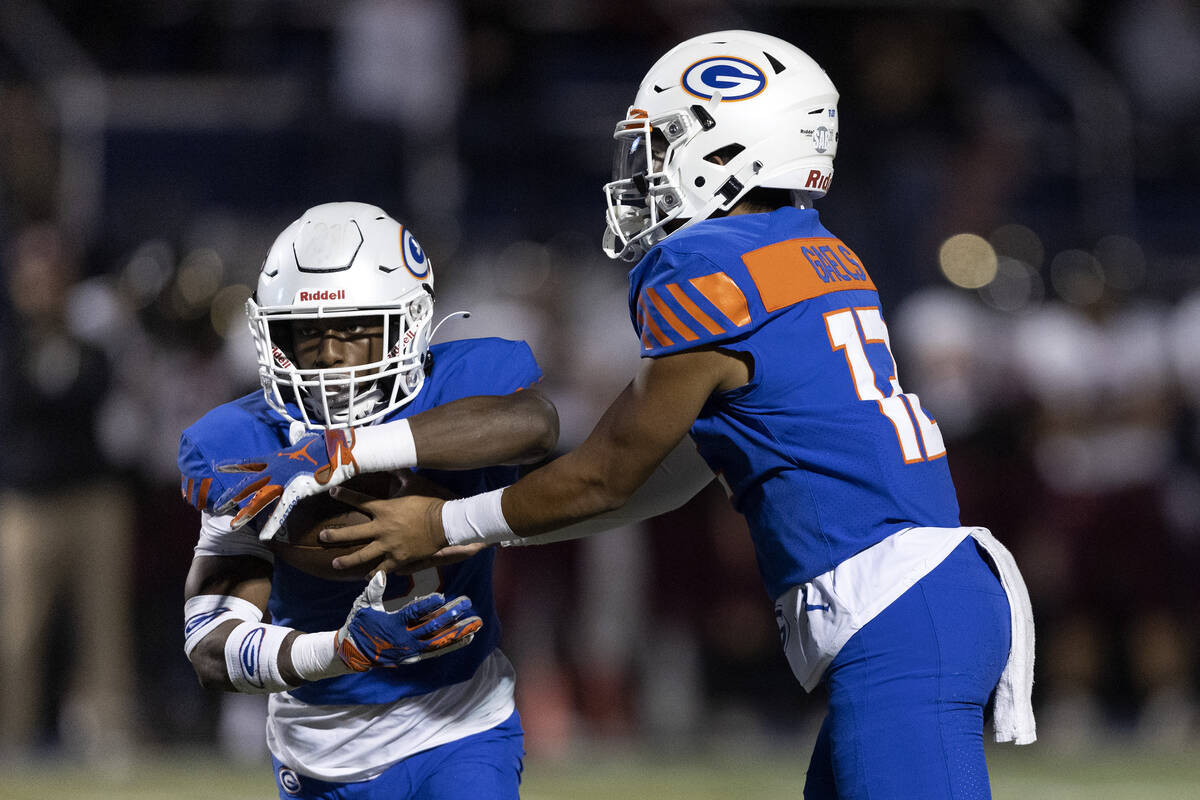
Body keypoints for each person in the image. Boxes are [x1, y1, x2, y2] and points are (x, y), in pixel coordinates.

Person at [318, 31, 1037, 798]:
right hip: (926, 595)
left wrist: (442, 524)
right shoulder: (817, 250)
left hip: (898, 615)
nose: (644, 173)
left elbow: (608, 473)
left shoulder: (708, 265)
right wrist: (493, 524)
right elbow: (664, 473)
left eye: (662, 147)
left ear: (735, 152)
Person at [179, 202, 559, 799]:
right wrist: (340, 650)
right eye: (307, 332)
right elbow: (210, 648)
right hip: (322, 749)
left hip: (462, 720)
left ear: (407, 325)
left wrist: (347, 450)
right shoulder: (243, 447)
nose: (329, 354)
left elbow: (535, 423)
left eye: (354, 328)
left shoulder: (456, 390)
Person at [0, 223, 135, 762]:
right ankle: (12, 732)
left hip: (91, 500)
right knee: (20, 627)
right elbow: (21, 410)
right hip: (26, 503)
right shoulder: (10, 348)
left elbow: (94, 404)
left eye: (54, 277)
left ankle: (107, 730)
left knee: (103, 624)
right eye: (34, 278)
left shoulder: (90, 348)